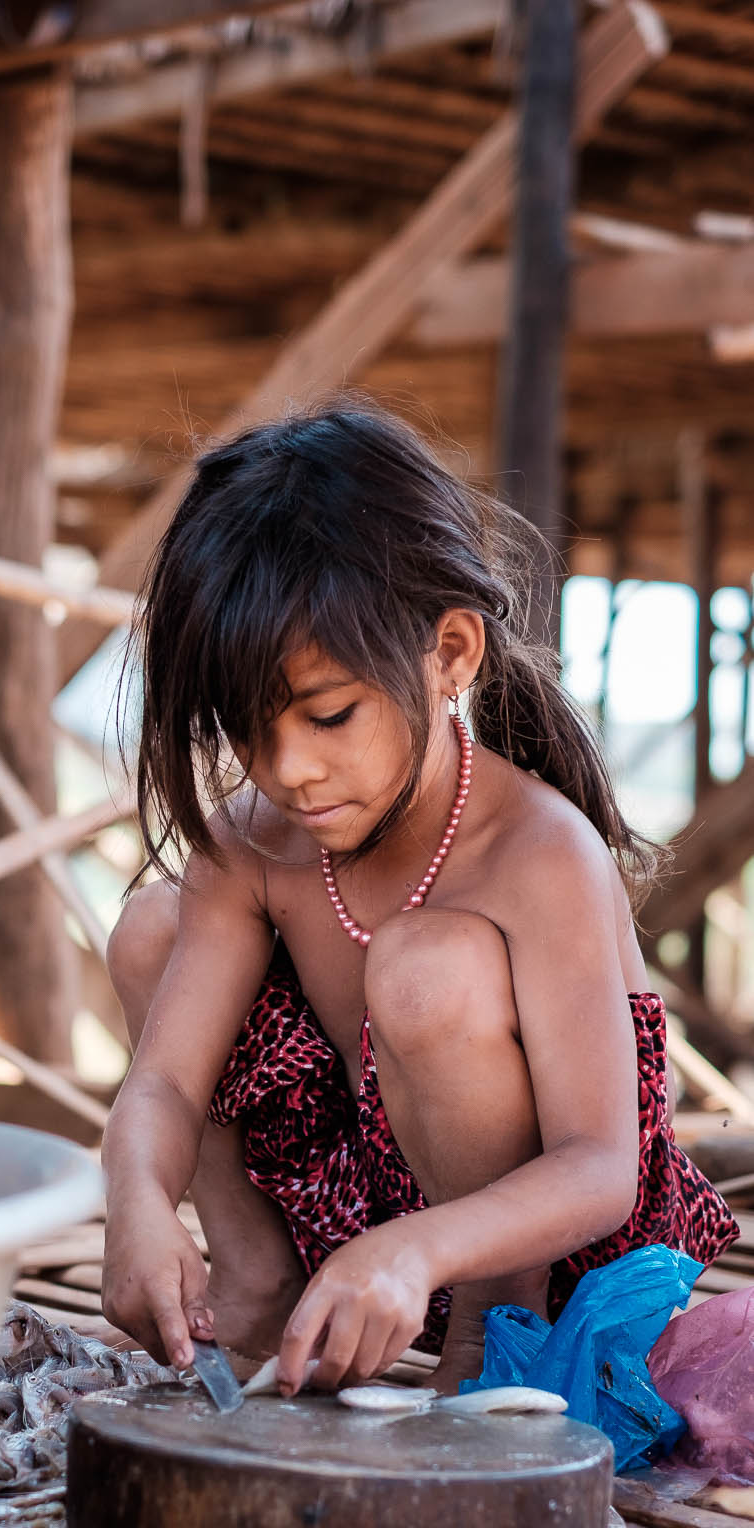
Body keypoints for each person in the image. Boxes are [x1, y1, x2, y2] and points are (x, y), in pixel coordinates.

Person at [101, 399, 736, 1398]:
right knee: (152, 924)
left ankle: (487, 1349)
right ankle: (256, 1276)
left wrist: (417, 1249)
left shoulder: (538, 851)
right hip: (363, 1227)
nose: (289, 770)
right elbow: (167, 1086)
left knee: (424, 967)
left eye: (328, 715)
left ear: (450, 653)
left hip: (549, 1252)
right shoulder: (257, 842)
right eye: (248, 731)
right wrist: (135, 1194)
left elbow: (598, 1166)